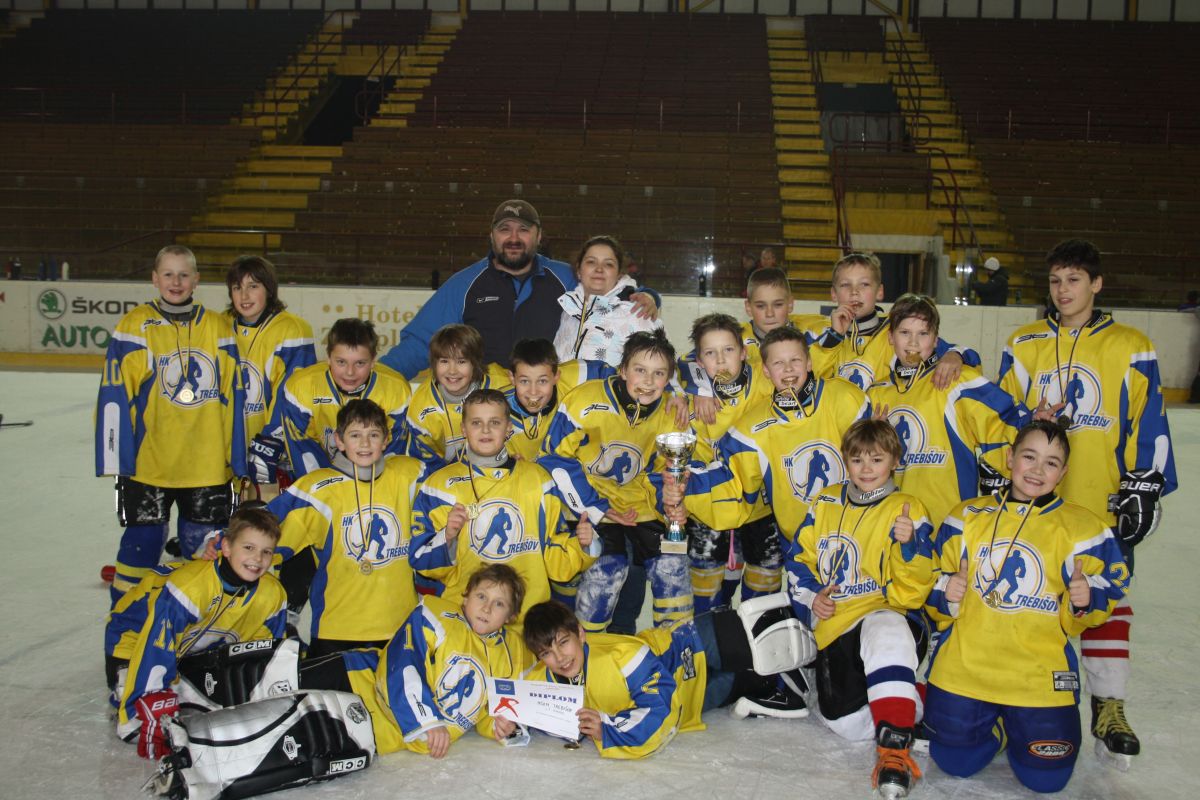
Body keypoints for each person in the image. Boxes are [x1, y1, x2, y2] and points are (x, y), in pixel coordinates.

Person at [996, 239, 1177, 768]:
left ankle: (1108, 707)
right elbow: (1001, 413)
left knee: (1105, 603)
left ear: (1096, 284)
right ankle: (1014, 700)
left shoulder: (1131, 345)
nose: (1063, 290)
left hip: (1101, 503)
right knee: (1028, 597)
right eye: (1055, 280)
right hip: (1033, 502)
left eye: (1074, 279)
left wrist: (1145, 484)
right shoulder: (1025, 342)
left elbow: (1148, 418)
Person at [924, 420, 1129, 793]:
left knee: (1046, 779)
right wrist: (946, 591)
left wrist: (1087, 597)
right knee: (955, 762)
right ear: (1009, 457)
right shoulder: (966, 517)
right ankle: (1002, 727)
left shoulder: (1084, 528)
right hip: (966, 669)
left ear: (1064, 472)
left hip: (1038, 676)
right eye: (1029, 457)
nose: (1037, 470)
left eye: (1051, 463)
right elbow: (928, 579)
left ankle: (1014, 721)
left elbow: (1112, 586)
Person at [782, 419, 935, 799]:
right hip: (837, 627)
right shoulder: (825, 501)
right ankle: (917, 696)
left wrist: (909, 547)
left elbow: (912, 594)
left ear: (895, 462)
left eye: (877, 460)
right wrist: (812, 597)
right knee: (847, 724)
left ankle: (894, 751)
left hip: (889, 615)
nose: (866, 469)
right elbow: (798, 560)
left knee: (884, 628)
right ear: (845, 460)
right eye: (857, 460)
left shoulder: (907, 509)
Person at [96, 244, 245, 604]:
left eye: (183, 275)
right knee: (140, 546)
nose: (175, 282)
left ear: (196, 280)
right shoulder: (133, 327)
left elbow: (234, 399)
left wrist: (237, 460)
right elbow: (115, 394)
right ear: (154, 279)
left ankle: (200, 628)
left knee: (206, 552)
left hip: (208, 467)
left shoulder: (219, 328)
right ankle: (126, 628)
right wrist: (116, 458)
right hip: (149, 467)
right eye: (168, 274)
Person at [379, 200, 657, 378]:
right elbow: (420, 343)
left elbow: (609, 286)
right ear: (492, 236)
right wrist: (379, 377)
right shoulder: (464, 284)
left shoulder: (563, 276)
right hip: (484, 408)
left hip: (545, 404)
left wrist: (647, 296)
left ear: (538, 236)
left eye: (523, 229)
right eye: (505, 229)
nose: (514, 238)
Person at [520, 595, 813, 760]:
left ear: (581, 634)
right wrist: (512, 724)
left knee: (767, 639)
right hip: (691, 698)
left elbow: (660, 709)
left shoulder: (622, 656)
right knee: (760, 681)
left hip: (688, 644)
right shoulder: (540, 678)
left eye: (563, 643)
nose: (559, 658)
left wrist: (607, 730)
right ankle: (776, 681)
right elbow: (515, 702)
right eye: (546, 653)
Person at [538, 329, 692, 633]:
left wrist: (671, 504)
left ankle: (675, 648)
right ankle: (589, 647)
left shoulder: (671, 415)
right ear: (622, 370)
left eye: (658, 373)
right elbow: (553, 459)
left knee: (673, 568)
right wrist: (599, 507)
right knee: (608, 571)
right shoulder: (585, 399)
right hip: (587, 502)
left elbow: (662, 473)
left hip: (638, 506)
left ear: (668, 379)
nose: (648, 381)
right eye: (640, 370)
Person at [300, 564, 534, 757]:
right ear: (466, 597)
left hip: (375, 732)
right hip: (355, 678)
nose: (486, 608)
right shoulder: (437, 616)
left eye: (499, 603)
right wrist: (429, 721)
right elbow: (403, 661)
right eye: (481, 596)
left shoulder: (511, 653)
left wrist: (502, 726)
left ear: (511, 616)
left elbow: (488, 708)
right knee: (282, 681)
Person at [665, 326, 869, 545]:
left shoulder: (846, 398)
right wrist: (684, 489)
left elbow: (875, 462)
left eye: (795, 360)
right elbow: (731, 482)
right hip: (799, 543)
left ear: (809, 362)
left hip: (859, 531)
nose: (788, 369)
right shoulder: (750, 428)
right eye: (778, 363)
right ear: (766, 370)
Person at [111, 506, 287, 755]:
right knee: (140, 715)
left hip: (194, 647)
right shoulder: (190, 588)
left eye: (266, 552)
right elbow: (155, 647)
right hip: (132, 639)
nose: (257, 559)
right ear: (226, 547)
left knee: (214, 703)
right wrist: (138, 709)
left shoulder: (272, 594)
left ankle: (182, 682)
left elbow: (265, 652)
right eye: (248, 548)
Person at [409, 388, 596, 618]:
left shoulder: (538, 480)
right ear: (463, 429)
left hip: (526, 617)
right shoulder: (439, 486)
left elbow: (555, 559)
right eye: (476, 423)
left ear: (509, 428)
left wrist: (583, 545)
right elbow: (421, 562)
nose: (485, 430)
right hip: (466, 619)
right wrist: (447, 538)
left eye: (495, 422)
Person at [265, 399, 428, 659]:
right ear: (339, 441)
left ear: (386, 440)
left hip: (398, 624)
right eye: (355, 435)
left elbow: (454, 488)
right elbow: (261, 529)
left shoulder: (410, 475)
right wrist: (220, 543)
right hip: (336, 628)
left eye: (373, 435)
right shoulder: (316, 489)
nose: (365, 444)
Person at [866, 294, 1027, 524]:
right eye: (904, 333)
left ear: (936, 340)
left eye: (923, 334)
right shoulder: (876, 393)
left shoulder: (956, 381)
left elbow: (1007, 420)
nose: (913, 343)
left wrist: (1033, 423)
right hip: (896, 523)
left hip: (950, 522)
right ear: (891, 337)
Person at [680, 313, 779, 613]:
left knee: (764, 591)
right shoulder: (686, 397)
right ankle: (713, 640)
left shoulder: (766, 380)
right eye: (711, 353)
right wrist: (695, 388)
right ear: (699, 361)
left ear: (744, 352)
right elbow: (676, 364)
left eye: (728, 350)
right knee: (708, 595)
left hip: (761, 506)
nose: (721, 360)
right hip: (709, 507)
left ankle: (757, 641)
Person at [813, 252, 978, 392]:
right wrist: (834, 337)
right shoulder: (821, 334)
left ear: (880, 292)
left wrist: (954, 355)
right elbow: (809, 379)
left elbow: (963, 354)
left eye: (864, 284)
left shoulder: (899, 329)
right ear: (833, 294)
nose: (854, 292)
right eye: (845, 285)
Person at [226, 255, 317, 500]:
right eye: (237, 287)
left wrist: (269, 441)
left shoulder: (293, 330)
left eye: (253, 286)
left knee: (266, 517)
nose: (244, 296)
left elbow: (293, 394)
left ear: (269, 288)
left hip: (273, 450)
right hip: (226, 448)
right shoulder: (221, 327)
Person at [276, 318, 412, 479]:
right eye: (341, 362)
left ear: (373, 361)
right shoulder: (301, 387)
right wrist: (330, 488)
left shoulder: (396, 390)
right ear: (328, 357)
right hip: (322, 477)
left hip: (374, 481)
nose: (350, 372)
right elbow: (304, 452)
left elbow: (391, 456)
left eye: (360, 363)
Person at [405, 323, 511, 470]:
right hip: (452, 478)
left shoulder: (504, 385)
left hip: (503, 471)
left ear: (475, 363)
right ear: (433, 364)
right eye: (444, 361)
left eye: (461, 361)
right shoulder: (421, 408)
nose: (452, 371)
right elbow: (425, 465)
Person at [554, 234, 661, 367]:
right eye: (591, 262)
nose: (599, 269)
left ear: (619, 274)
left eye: (608, 264)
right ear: (579, 270)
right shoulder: (568, 311)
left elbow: (660, 371)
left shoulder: (637, 314)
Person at [502, 338, 612, 462]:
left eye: (542, 381)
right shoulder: (497, 411)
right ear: (512, 378)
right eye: (524, 381)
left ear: (556, 376)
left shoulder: (574, 377)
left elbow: (614, 379)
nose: (533, 391)